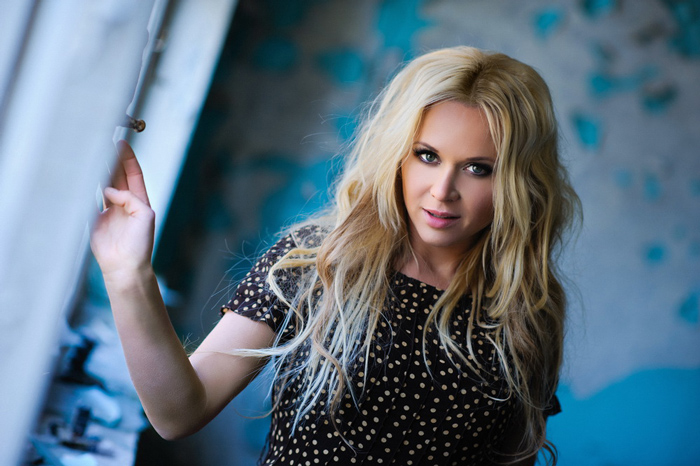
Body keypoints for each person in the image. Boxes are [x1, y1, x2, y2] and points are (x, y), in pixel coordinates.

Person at [91, 46, 580, 465]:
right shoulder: (317, 262)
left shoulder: (527, 306)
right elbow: (178, 413)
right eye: (427, 155)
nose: (442, 190)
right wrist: (128, 275)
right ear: (397, 154)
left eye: (478, 168)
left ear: (517, 181)